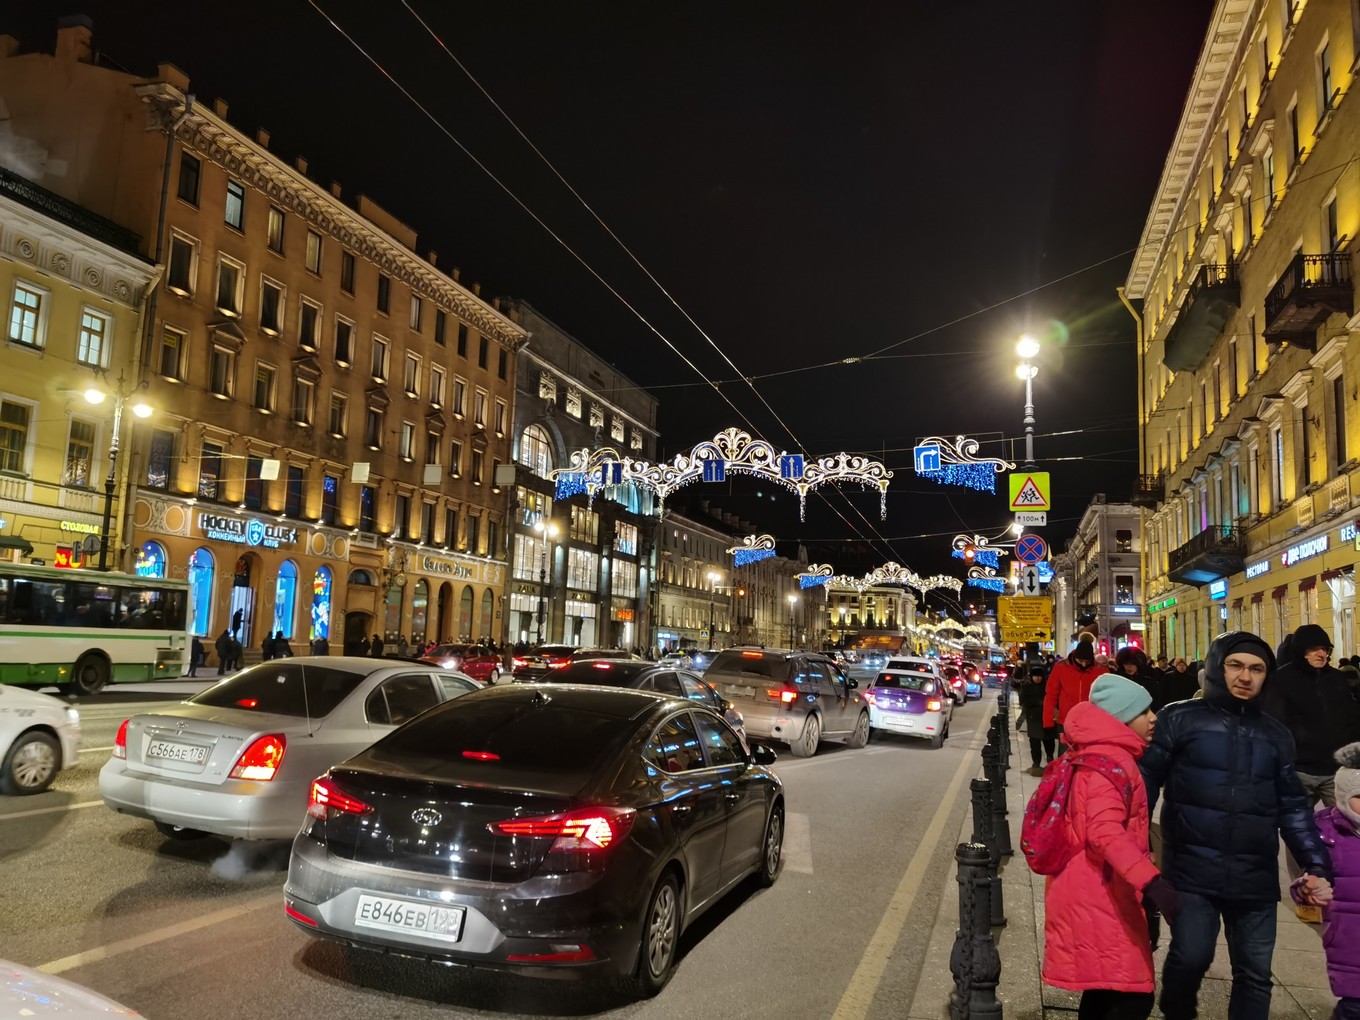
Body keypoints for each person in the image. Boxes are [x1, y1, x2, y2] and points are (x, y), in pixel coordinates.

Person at [1141, 631, 1334, 1020]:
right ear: (1217, 667)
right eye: (1235, 665)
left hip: (1255, 876)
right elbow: (1142, 787)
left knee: (1256, 974)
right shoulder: (1178, 718)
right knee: (1190, 957)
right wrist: (1134, 850)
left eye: (1257, 669)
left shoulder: (1276, 734)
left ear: (1267, 676)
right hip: (1191, 872)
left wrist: (1316, 864)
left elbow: (1294, 806)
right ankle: (1178, 1012)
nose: (1245, 677)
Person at [1041, 674, 1179, 1020]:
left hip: (1092, 887)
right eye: (1143, 711)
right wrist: (1152, 882)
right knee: (1131, 996)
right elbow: (1103, 831)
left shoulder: (1097, 753)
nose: (1153, 718)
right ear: (1119, 717)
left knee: (1104, 990)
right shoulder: (1111, 762)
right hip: (1100, 893)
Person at [1261, 622, 1360, 921]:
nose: (1322, 654)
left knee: (1350, 828)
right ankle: (1304, 891)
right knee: (1298, 832)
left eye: (1326, 649)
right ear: (1301, 651)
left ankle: (1347, 884)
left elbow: (1351, 717)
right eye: (1316, 649)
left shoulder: (1336, 680)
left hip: (1334, 769)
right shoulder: (1281, 680)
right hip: (1299, 770)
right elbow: (1273, 722)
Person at [1303, 741, 1359, 1019]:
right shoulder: (1326, 832)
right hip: (1350, 942)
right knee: (1354, 1007)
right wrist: (1308, 889)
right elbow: (1309, 876)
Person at [1043, 633, 1105, 753]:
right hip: (1066, 722)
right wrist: (1048, 723)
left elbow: (1107, 697)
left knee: (1089, 758)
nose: (1083, 664)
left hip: (1091, 723)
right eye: (1081, 660)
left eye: (1086, 661)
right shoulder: (1061, 667)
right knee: (1065, 758)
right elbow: (1051, 695)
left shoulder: (1100, 669)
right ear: (1075, 656)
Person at [1018, 664, 1054, 772]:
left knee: (1048, 741)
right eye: (1035, 676)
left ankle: (1050, 759)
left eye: (1039, 676)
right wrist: (1039, 703)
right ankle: (1036, 763)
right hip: (1033, 718)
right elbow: (1023, 700)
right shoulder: (1027, 687)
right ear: (1032, 677)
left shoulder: (1048, 687)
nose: (1037, 678)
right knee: (1035, 744)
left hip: (1046, 718)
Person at [1116, 646, 1168, 712]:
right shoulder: (1118, 682)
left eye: (1133, 664)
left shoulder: (1150, 683)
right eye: (1126, 663)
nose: (1129, 666)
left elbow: (1157, 705)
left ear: (1138, 664)